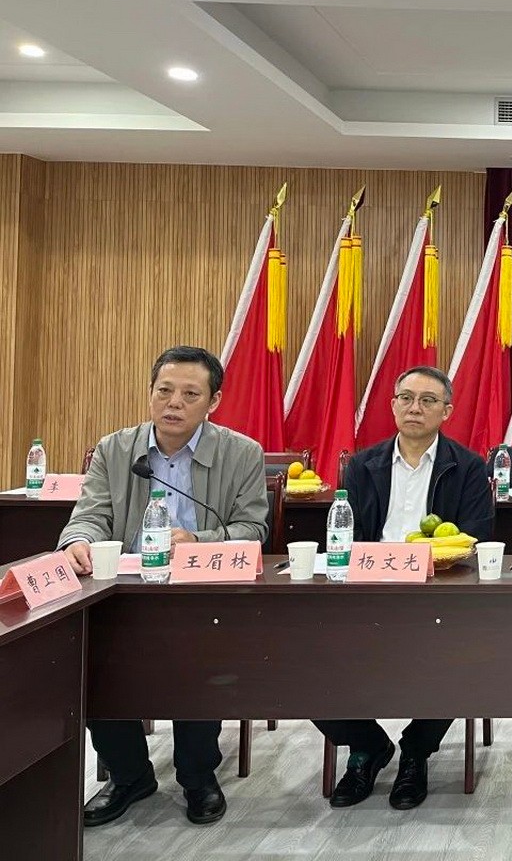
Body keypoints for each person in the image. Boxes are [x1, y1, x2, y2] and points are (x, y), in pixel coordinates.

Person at [58, 346, 269, 828]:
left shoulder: (242, 453)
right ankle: (130, 776)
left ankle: (198, 777)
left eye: (190, 394)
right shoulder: (114, 449)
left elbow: (253, 529)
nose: (174, 403)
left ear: (214, 401)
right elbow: (89, 515)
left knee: (199, 660)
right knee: (91, 657)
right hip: (124, 591)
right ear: (151, 392)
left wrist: (197, 540)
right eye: (164, 391)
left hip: (202, 592)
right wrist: (78, 542)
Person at [313, 366, 494, 811]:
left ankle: (416, 751)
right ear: (392, 405)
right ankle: (367, 746)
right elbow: (345, 538)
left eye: (428, 400)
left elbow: (474, 537)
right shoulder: (363, 465)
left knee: (465, 654)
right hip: (367, 592)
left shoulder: (469, 467)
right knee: (304, 657)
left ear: (447, 411)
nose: (415, 408)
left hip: (439, 596)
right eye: (406, 398)